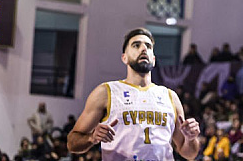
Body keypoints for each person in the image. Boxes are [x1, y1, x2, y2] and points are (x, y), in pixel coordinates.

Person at [67, 28, 201, 160]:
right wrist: (92, 138)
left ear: (153, 60)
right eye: (136, 45)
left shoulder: (170, 96)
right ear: (124, 58)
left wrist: (191, 138)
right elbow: (72, 143)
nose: (143, 49)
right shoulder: (106, 92)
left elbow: (189, 153)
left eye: (148, 46)